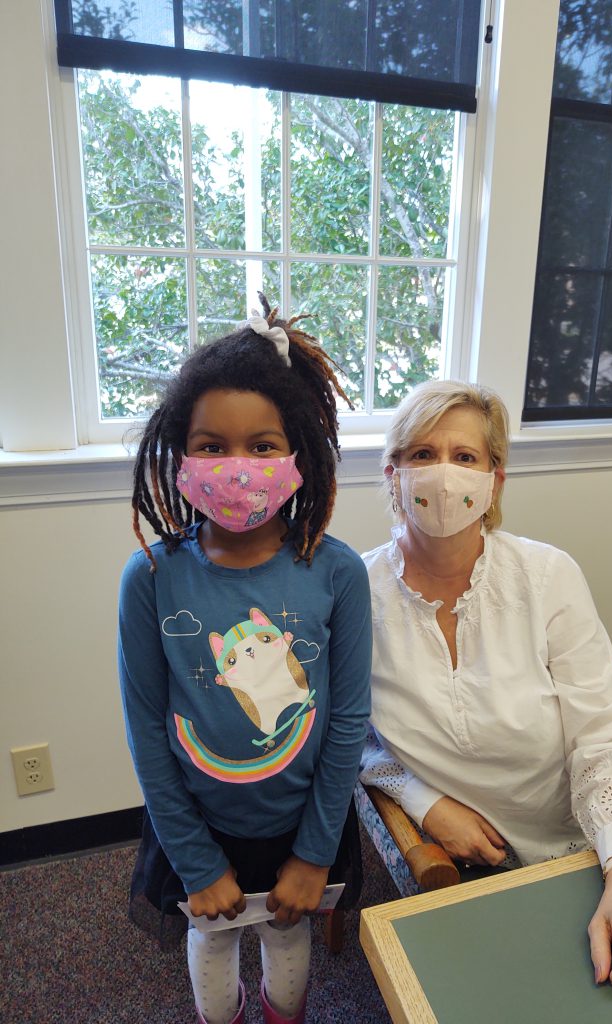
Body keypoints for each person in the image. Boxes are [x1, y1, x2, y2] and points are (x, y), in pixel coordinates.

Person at [359, 379, 612, 986]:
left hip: (589, 836)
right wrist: (424, 802)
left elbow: (608, 736)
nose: (444, 476)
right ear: (392, 473)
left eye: (465, 457)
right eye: (422, 455)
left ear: (494, 480)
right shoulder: (353, 592)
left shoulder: (547, 575)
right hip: (471, 860)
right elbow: (345, 736)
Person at [118, 295, 372, 1024]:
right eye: (211, 445)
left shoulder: (337, 573)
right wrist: (195, 862)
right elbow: (145, 727)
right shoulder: (153, 576)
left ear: (299, 451)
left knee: (288, 950)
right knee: (214, 942)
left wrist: (316, 853)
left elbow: (348, 718)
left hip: (304, 827)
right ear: (178, 452)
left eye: (263, 446)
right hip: (197, 826)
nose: (237, 467)